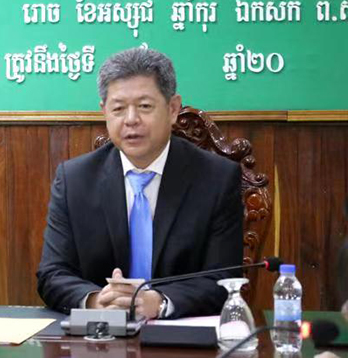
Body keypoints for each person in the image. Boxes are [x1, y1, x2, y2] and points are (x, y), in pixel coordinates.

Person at [37, 47, 244, 319]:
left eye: (145, 106)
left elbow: (224, 278)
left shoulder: (217, 179)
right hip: (100, 335)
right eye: (118, 108)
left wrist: (158, 302)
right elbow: (52, 273)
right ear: (104, 111)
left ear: (172, 109)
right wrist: (97, 301)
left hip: (181, 332)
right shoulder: (75, 180)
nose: (131, 120)